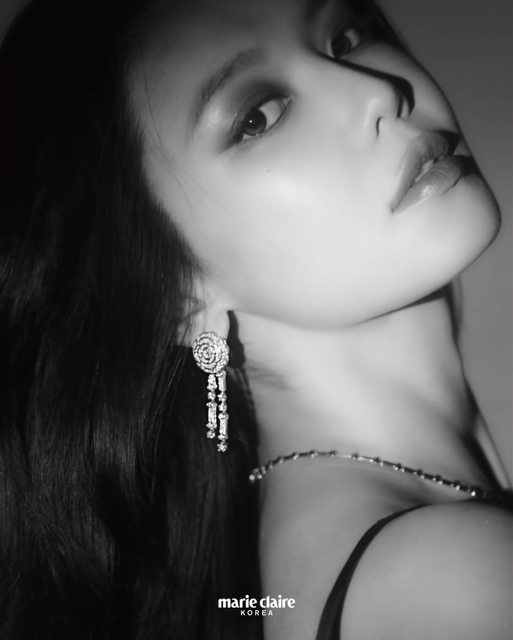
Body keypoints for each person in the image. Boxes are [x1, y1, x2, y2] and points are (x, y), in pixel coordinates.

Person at [0, 0, 511, 639]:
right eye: (258, 117)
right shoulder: (456, 583)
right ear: (177, 296)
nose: (378, 92)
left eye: (346, 35)